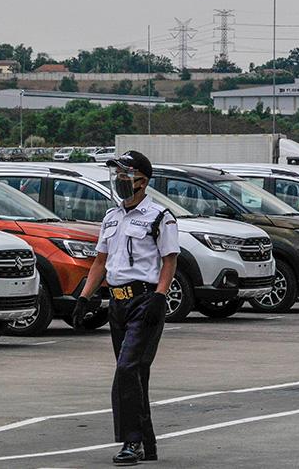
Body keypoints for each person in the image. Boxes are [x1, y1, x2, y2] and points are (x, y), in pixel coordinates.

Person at [73, 150, 179, 465]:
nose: (119, 180)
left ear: (141, 180)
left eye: (124, 174)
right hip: (117, 303)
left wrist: (160, 297)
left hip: (145, 300)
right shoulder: (112, 216)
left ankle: (131, 443)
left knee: (126, 370)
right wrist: (84, 296)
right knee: (135, 375)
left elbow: (169, 260)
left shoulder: (160, 216)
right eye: (116, 174)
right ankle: (148, 444)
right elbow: (100, 262)